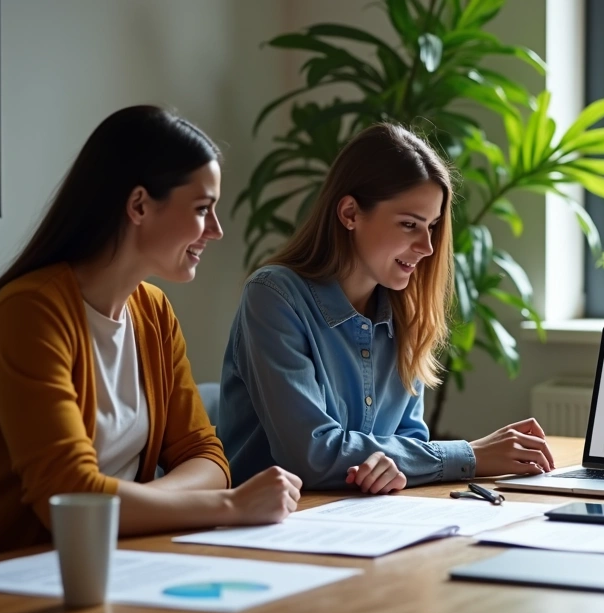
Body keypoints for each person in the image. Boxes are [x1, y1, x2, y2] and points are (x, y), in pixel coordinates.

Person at [0, 106, 301, 570]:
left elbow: (207, 458)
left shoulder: (153, 312)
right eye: (202, 209)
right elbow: (70, 495)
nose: (215, 230)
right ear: (138, 205)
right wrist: (233, 507)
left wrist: (129, 505)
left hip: (98, 565)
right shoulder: (30, 313)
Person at [218, 122, 555, 494]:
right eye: (410, 224)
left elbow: (409, 443)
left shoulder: (403, 312)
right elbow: (311, 455)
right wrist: (469, 455)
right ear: (349, 213)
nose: (427, 247)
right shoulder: (273, 296)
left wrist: (397, 465)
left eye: (432, 226)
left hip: (362, 517)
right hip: (269, 527)